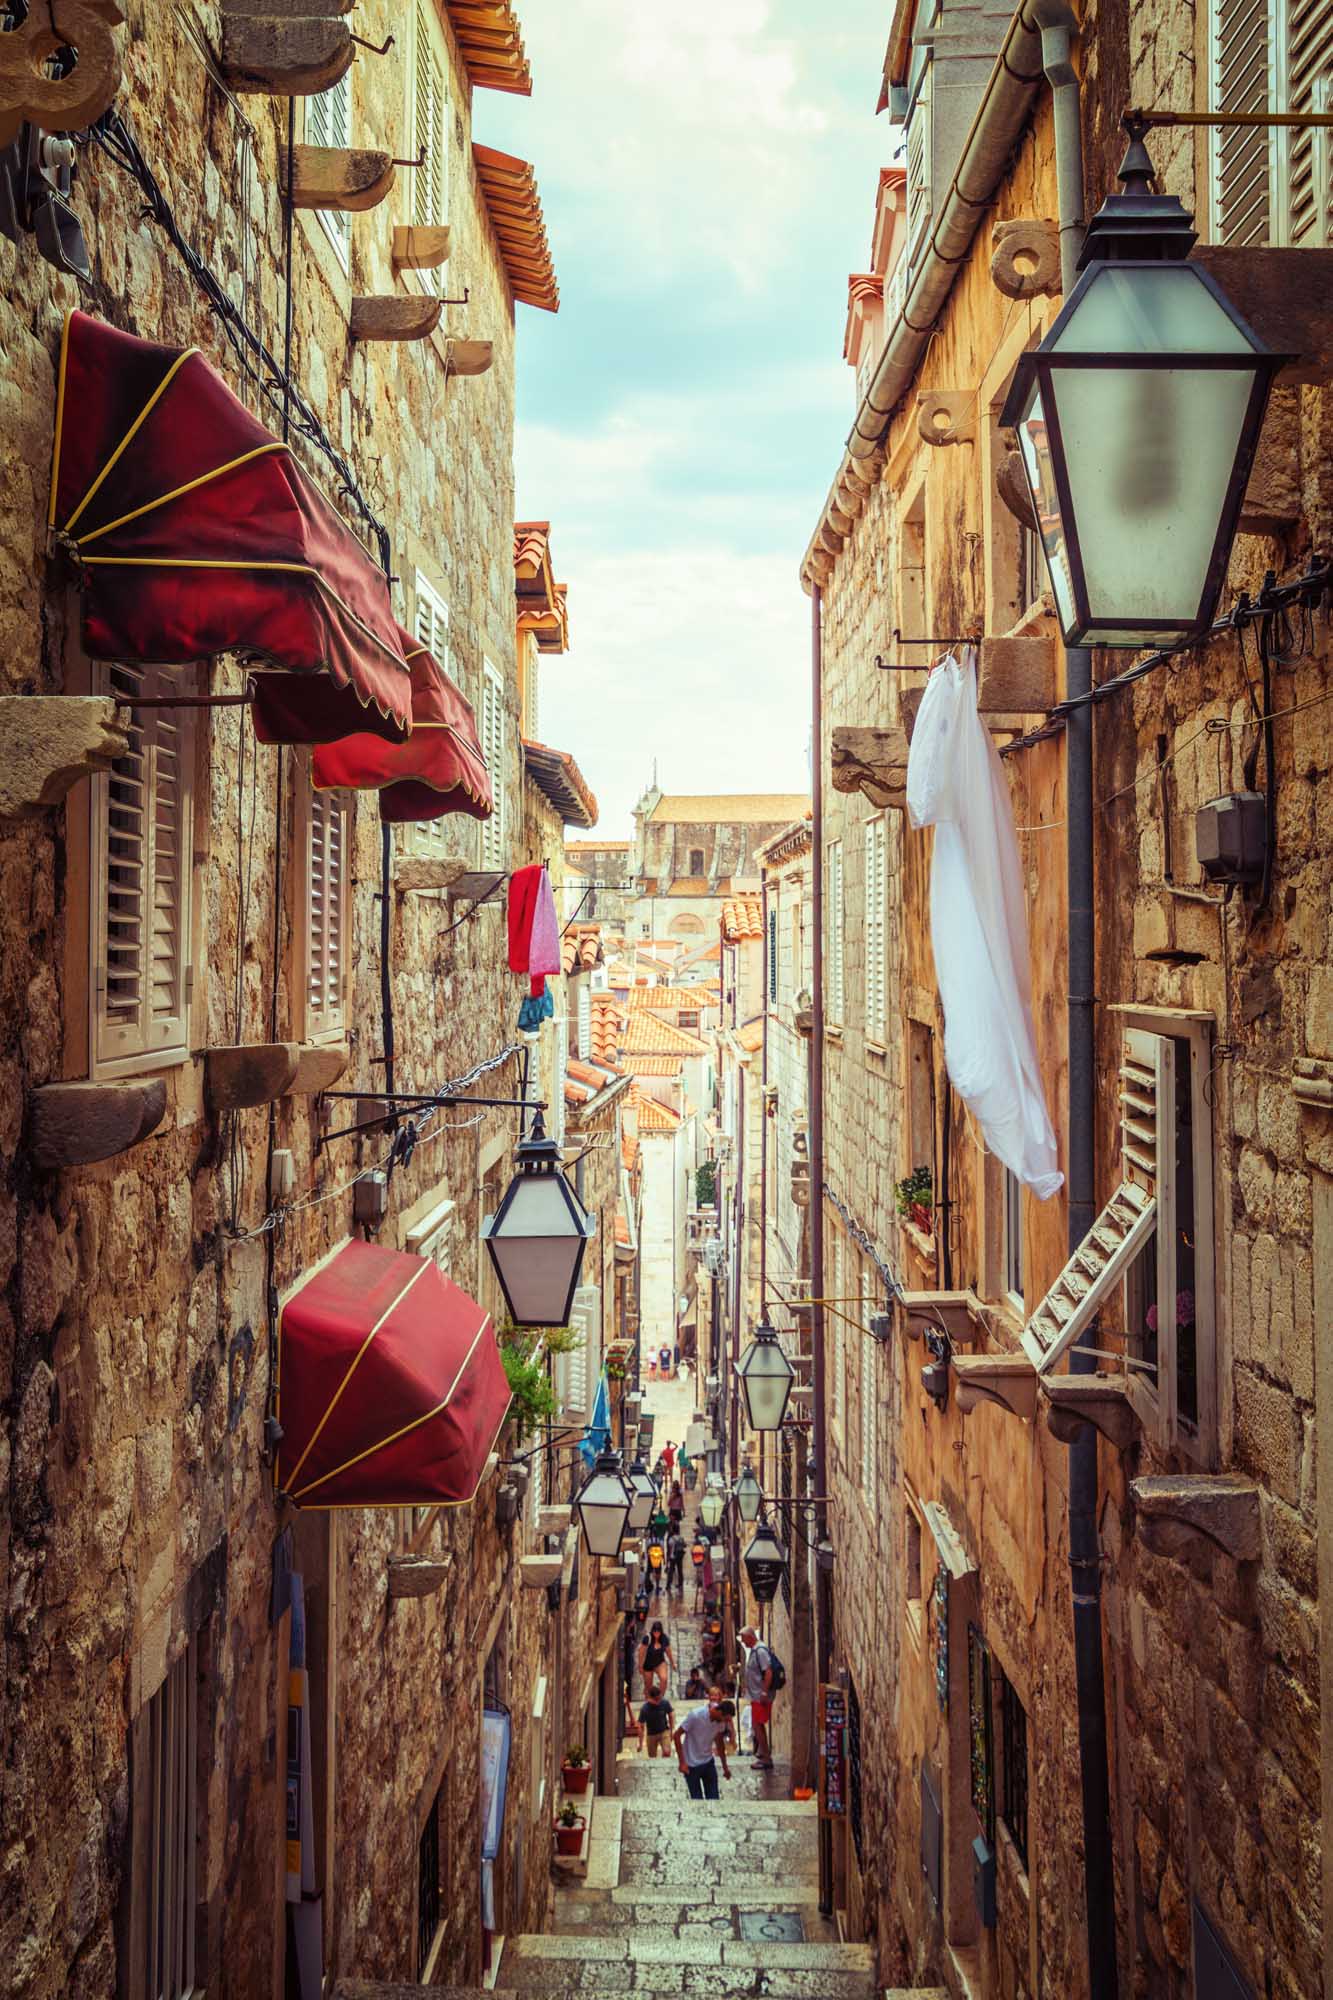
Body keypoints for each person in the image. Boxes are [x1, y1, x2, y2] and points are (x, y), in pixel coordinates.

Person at [673, 1697, 735, 1800]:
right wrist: (682, 1762)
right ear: (720, 1712)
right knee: (697, 1800)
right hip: (691, 1765)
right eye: (726, 1719)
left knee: (714, 1799)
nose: (726, 1723)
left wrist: (725, 1767)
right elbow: (676, 1735)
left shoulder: (721, 1723)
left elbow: (719, 1743)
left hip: (708, 1762)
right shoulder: (696, 1716)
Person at [740, 1626, 777, 1771]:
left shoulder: (760, 1651)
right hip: (755, 1695)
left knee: (758, 1726)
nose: (743, 1642)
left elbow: (768, 1672)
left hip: (759, 1696)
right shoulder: (756, 1650)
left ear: (750, 1637)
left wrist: (763, 1692)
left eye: (744, 1639)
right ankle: (763, 1754)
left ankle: (766, 1759)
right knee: (757, 1725)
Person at [638, 1619, 673, 1697]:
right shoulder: (647, 1638)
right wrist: (640, 1666)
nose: (656, 1633)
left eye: (658, 1631)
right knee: (648, 1687)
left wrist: (672, 1663)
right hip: (648, 1664)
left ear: (661, 1631)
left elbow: (668, 1651)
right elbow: (641, 1652)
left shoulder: (664, 1638)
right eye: (655, 1631)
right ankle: (649, 1701)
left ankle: (660, 1698)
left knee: (664, 1679)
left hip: (659, 1662)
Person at [638, 1687, 674, 1757]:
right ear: (650, 1698)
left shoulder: (664, 1702)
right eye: (656, 1700)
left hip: (664, 1731)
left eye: (659, 1698)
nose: (658, 1702)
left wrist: (672, 1731)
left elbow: (671, 1714)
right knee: (652, 1756)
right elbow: (640, 1726)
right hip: (651, 1734)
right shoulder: (645, 1709)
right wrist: (640, 1743)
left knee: (667, 1752)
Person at [665, 1528, 686, 1596]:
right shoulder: (681, 1538)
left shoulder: (671, 1539)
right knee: (680, 1570)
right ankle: (680, 1584)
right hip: (680, 1556)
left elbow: (670, 1549)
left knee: (671, 1571)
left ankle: (668, 1585)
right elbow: (684, 1545)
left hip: (673, 1557)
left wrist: (668, 1558)